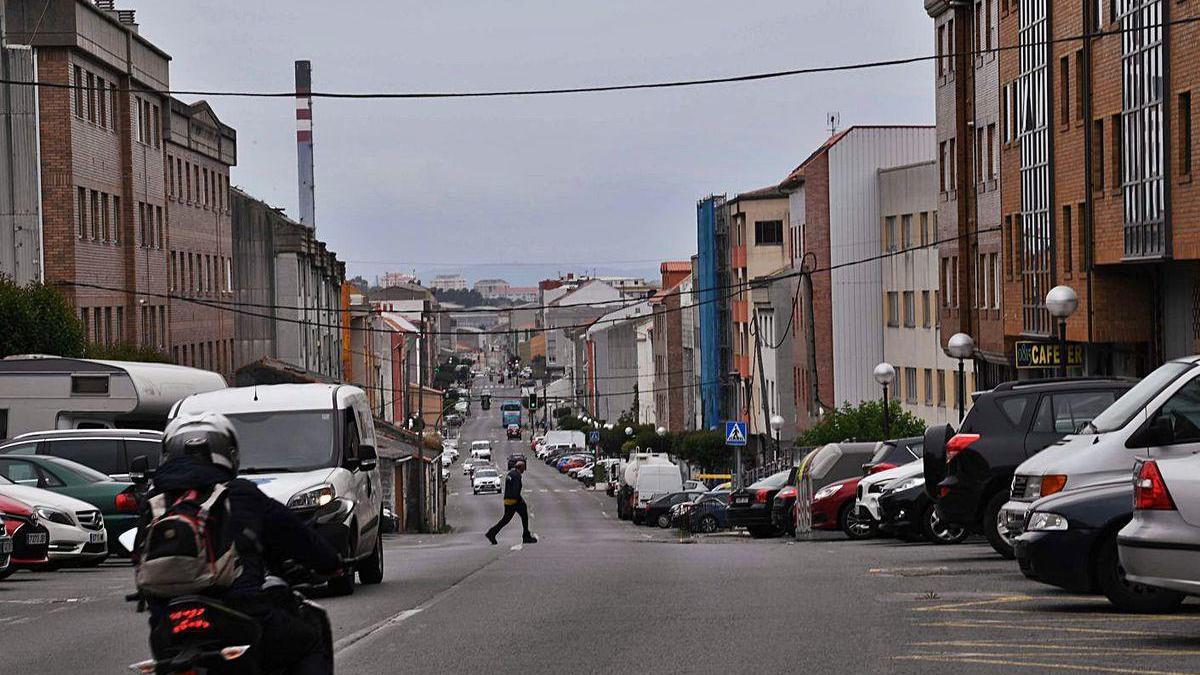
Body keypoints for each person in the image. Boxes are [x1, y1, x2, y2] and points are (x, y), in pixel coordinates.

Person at [137, 414, 342, 675]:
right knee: (311, 635)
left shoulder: (154, 503)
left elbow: (138, 561)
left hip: (168, 627)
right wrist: (331, 563)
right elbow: (298, 537)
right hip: (238, 616)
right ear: (228, 453)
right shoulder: (240, 493)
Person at [485, 460, 538, 545]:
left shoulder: (510, 474)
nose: (524, 470)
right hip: (514, 500)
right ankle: (526, 536)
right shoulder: (517, 476)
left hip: (507, 500)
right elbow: (516, 489)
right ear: (520, 467)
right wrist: (518, 499)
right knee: (524, 516)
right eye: (523, 468)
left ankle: (492, 533)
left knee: (505, 520)